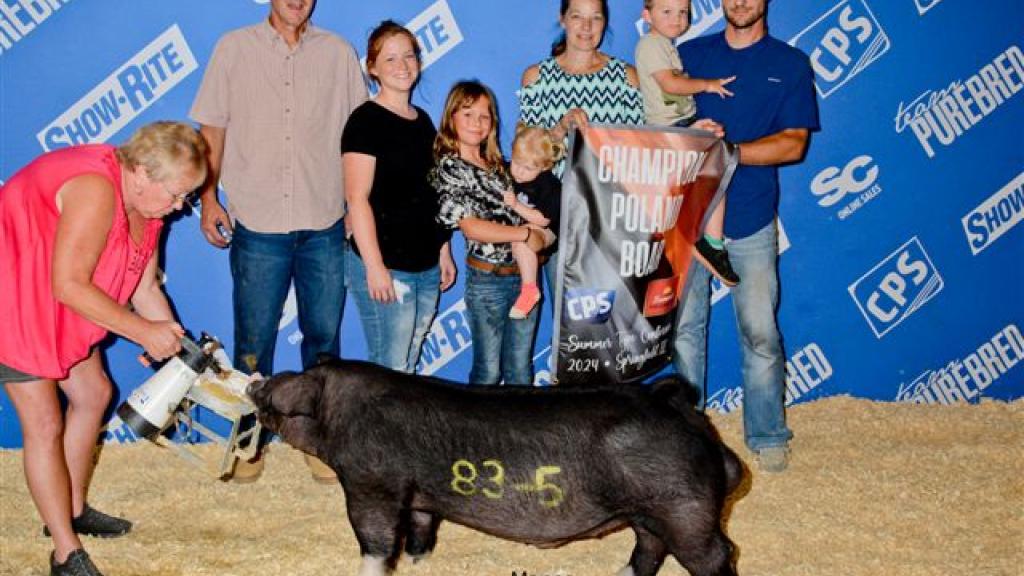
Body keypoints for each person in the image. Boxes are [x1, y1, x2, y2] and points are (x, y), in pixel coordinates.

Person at [0, 122, 208, 576]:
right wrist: (141, 332)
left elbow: (144, 287)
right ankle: (63, 552)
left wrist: (174, 342)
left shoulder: (149, 209)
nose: (180, 208)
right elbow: (69, 285)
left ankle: (71, 508)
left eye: (186, 197)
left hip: (51, 292)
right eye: (175, 194)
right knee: (44, 422)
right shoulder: (96, 190)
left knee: (93, 394)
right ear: (139, 172)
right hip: (14, 292)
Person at [189, 0, 368, 483]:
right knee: (252, 345)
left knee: (324, 344)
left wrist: (357, 204)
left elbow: (359, 136)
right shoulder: (233, 49)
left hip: (325, 220)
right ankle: (249, 442)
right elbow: (211, 133)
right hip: (257, 222)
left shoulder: (337, 52)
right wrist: (208, 198)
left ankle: (318, 442)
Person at [673, 0, 820, 473]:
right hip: (688, 221)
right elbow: (659, 127)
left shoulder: (790, 63)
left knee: (760, 334)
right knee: (683, 335)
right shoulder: (687, 56)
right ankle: (684, 441)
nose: (739, 2)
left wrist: (725, 152)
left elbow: (793, 143)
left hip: (752, 220)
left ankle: (768, 434)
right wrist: (687, 135)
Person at [342, 21, 456, 372]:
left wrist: (444, 251)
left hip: (424, 264)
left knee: (408, 368)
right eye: (390, 59)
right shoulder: (364, 120)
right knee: (389, 371)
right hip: (386, 265)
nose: (403, 65)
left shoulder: (422, 120)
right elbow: (357, 198)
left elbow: (433, 194)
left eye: (409, 56)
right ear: (372, 68)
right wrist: (375, 268)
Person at [433, 81, 548, 386]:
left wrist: (541, 236)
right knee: (488, 371)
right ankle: (476, 435)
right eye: (468, 114)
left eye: (485, 116)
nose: (477, 123)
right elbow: (471, 227)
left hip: (525, 278)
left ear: (493, 123)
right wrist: (524, 235)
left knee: (521, 371)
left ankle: (519, 435)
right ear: (451, 118)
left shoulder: (501, 166)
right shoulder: (450, 167)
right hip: (488, 280)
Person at [636, 0, 740, 287]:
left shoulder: (667, 47)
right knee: (715, 164)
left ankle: (707, 241)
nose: (677, 19)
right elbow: (669, 84)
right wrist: (708, 84)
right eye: (666, 12)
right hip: (669, 129)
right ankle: (710, 243)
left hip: (683, 124)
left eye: (683, 12)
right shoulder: (650, 45)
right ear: (647, 15)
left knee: (715, 166)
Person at [503, 125, 563, 320]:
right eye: (516, 162)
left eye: (528, 168)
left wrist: (515, 205)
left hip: (547, 231)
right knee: (519, 237)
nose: (519, 171)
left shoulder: (550, 185)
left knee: (522, 236)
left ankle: (530, 290)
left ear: (544, 166)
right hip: (522, 230)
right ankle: (527, 290)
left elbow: (543, 219)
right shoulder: (506, 172)